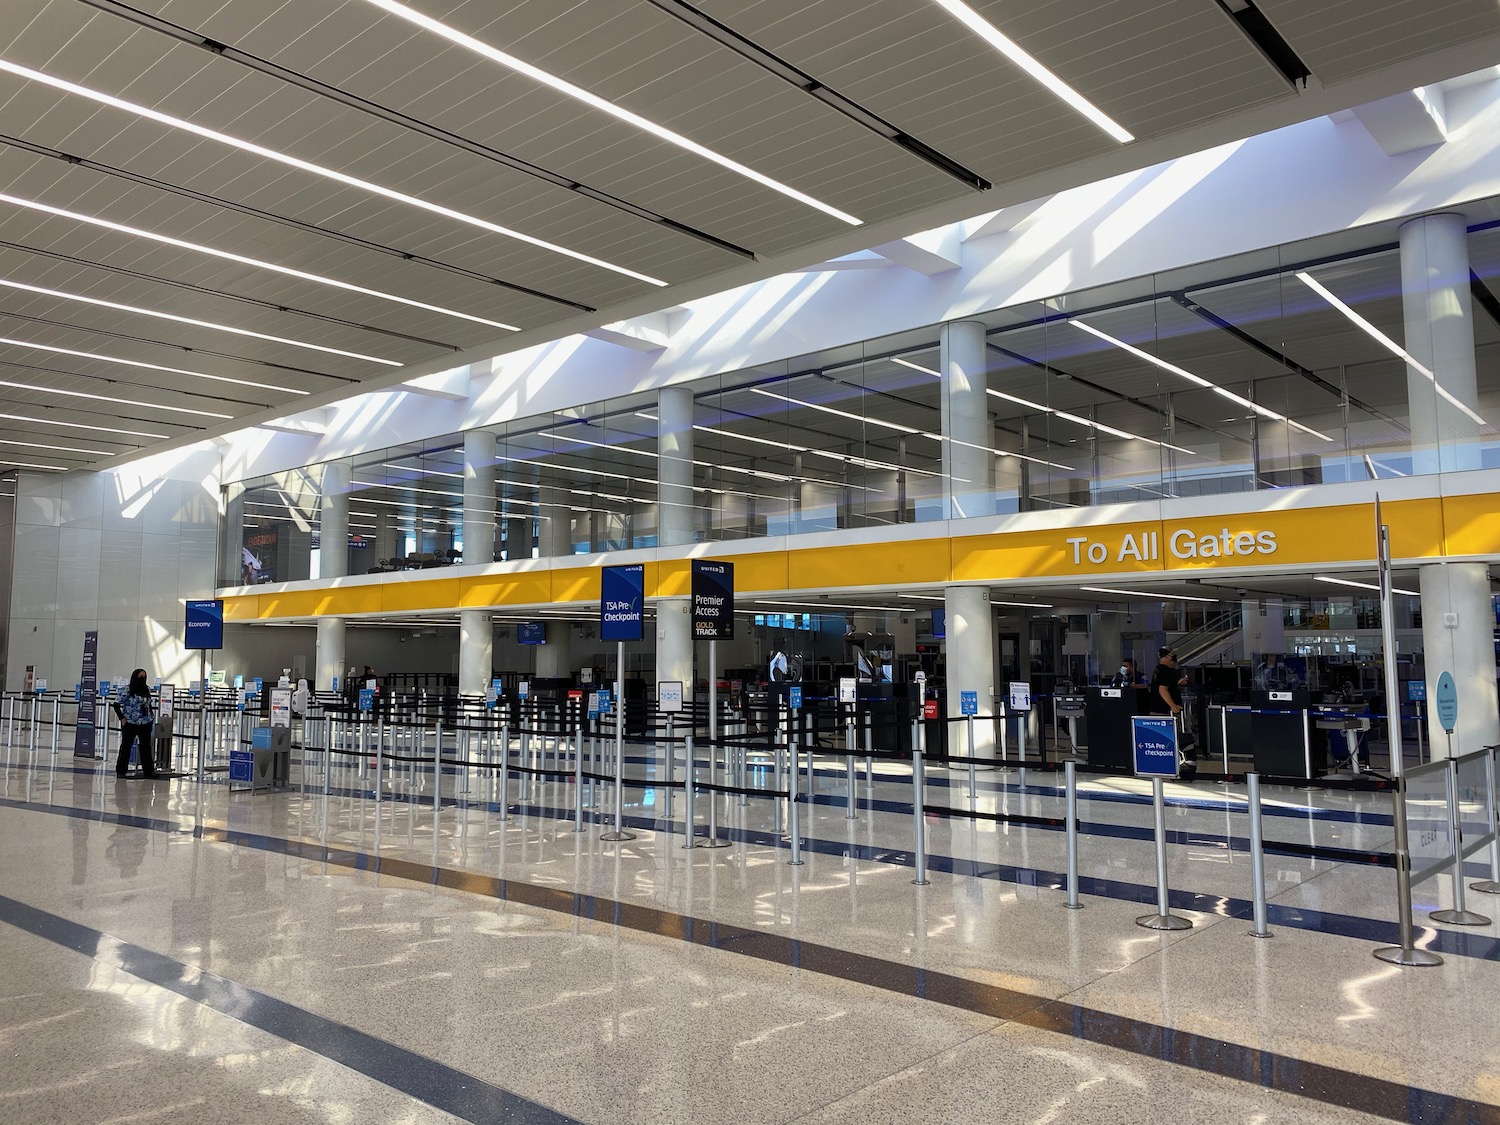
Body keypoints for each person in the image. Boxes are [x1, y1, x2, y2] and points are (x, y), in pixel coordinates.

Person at [113, 668, 159, 779]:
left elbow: (148, 703)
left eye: (144, 676)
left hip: (145, 722)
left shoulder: (146, 689)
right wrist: (122, 719)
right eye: (140, 676)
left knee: (146, 747)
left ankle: (148, 771)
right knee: (126, 746)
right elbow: (116, 704)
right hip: (130, 722)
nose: (143, 678)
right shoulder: (127, 690)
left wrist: (151, 717)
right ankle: (121, 770)